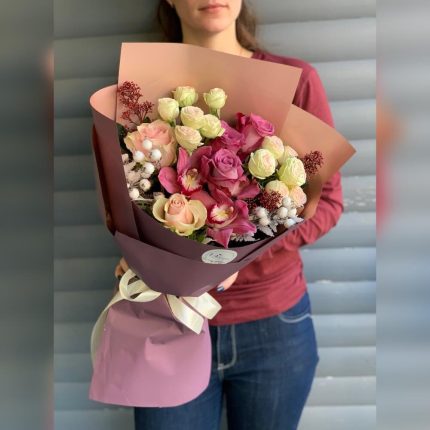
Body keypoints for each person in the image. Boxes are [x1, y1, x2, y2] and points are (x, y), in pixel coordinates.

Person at [115, 1, 344, 429]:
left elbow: (327, 204)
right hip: (172, 320)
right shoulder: (138, 89)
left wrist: (242, 255)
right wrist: (138, 252)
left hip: (273, 327)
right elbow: (123, 200)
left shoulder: (296, 80)